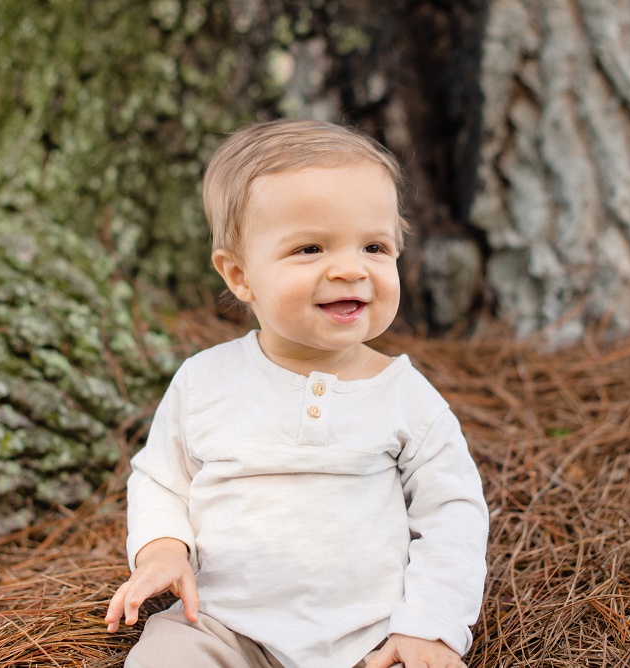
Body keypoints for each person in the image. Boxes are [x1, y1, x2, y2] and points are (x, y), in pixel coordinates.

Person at [105, 119, 489, 668]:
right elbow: (161, 478)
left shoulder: (406, 396)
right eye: (311, 248)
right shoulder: (205, 380)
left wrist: (428, 625)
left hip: (370, 638)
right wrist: (162, 550)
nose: (350, 269)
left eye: (374, 246)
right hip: (221, 628)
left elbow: (453, 513)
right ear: (240, 275)